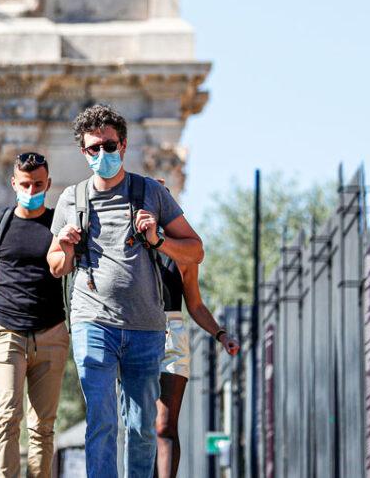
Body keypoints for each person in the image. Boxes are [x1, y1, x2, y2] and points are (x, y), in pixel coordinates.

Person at [47, 104, 204, 478]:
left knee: (141, 426)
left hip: (145, 327)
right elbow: (55, 265)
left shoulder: (151, 192)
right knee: (100, 420)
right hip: (92, 320)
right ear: (83, 152)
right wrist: (65, 247)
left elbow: (195, 250)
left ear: (124, 145)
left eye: (109, 146)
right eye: (93, 149)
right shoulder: (72, 198)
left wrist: (159, 238)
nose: (102, 154)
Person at [0, 152, 67, 478]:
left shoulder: (60, 225)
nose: (32, 189)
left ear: (48, 184)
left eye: (38, 183)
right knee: (6, 416)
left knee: (43, 426)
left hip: (51, 332)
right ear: (14, 183)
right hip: (6, 331)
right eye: (25, 183)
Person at [155, 261, 240, 477]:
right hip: (134, 334)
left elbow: (195, 305)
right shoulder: (126, 242)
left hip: (170, 335)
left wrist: (222, 335)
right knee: (139, 425)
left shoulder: (181, 249)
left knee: (165, 426)